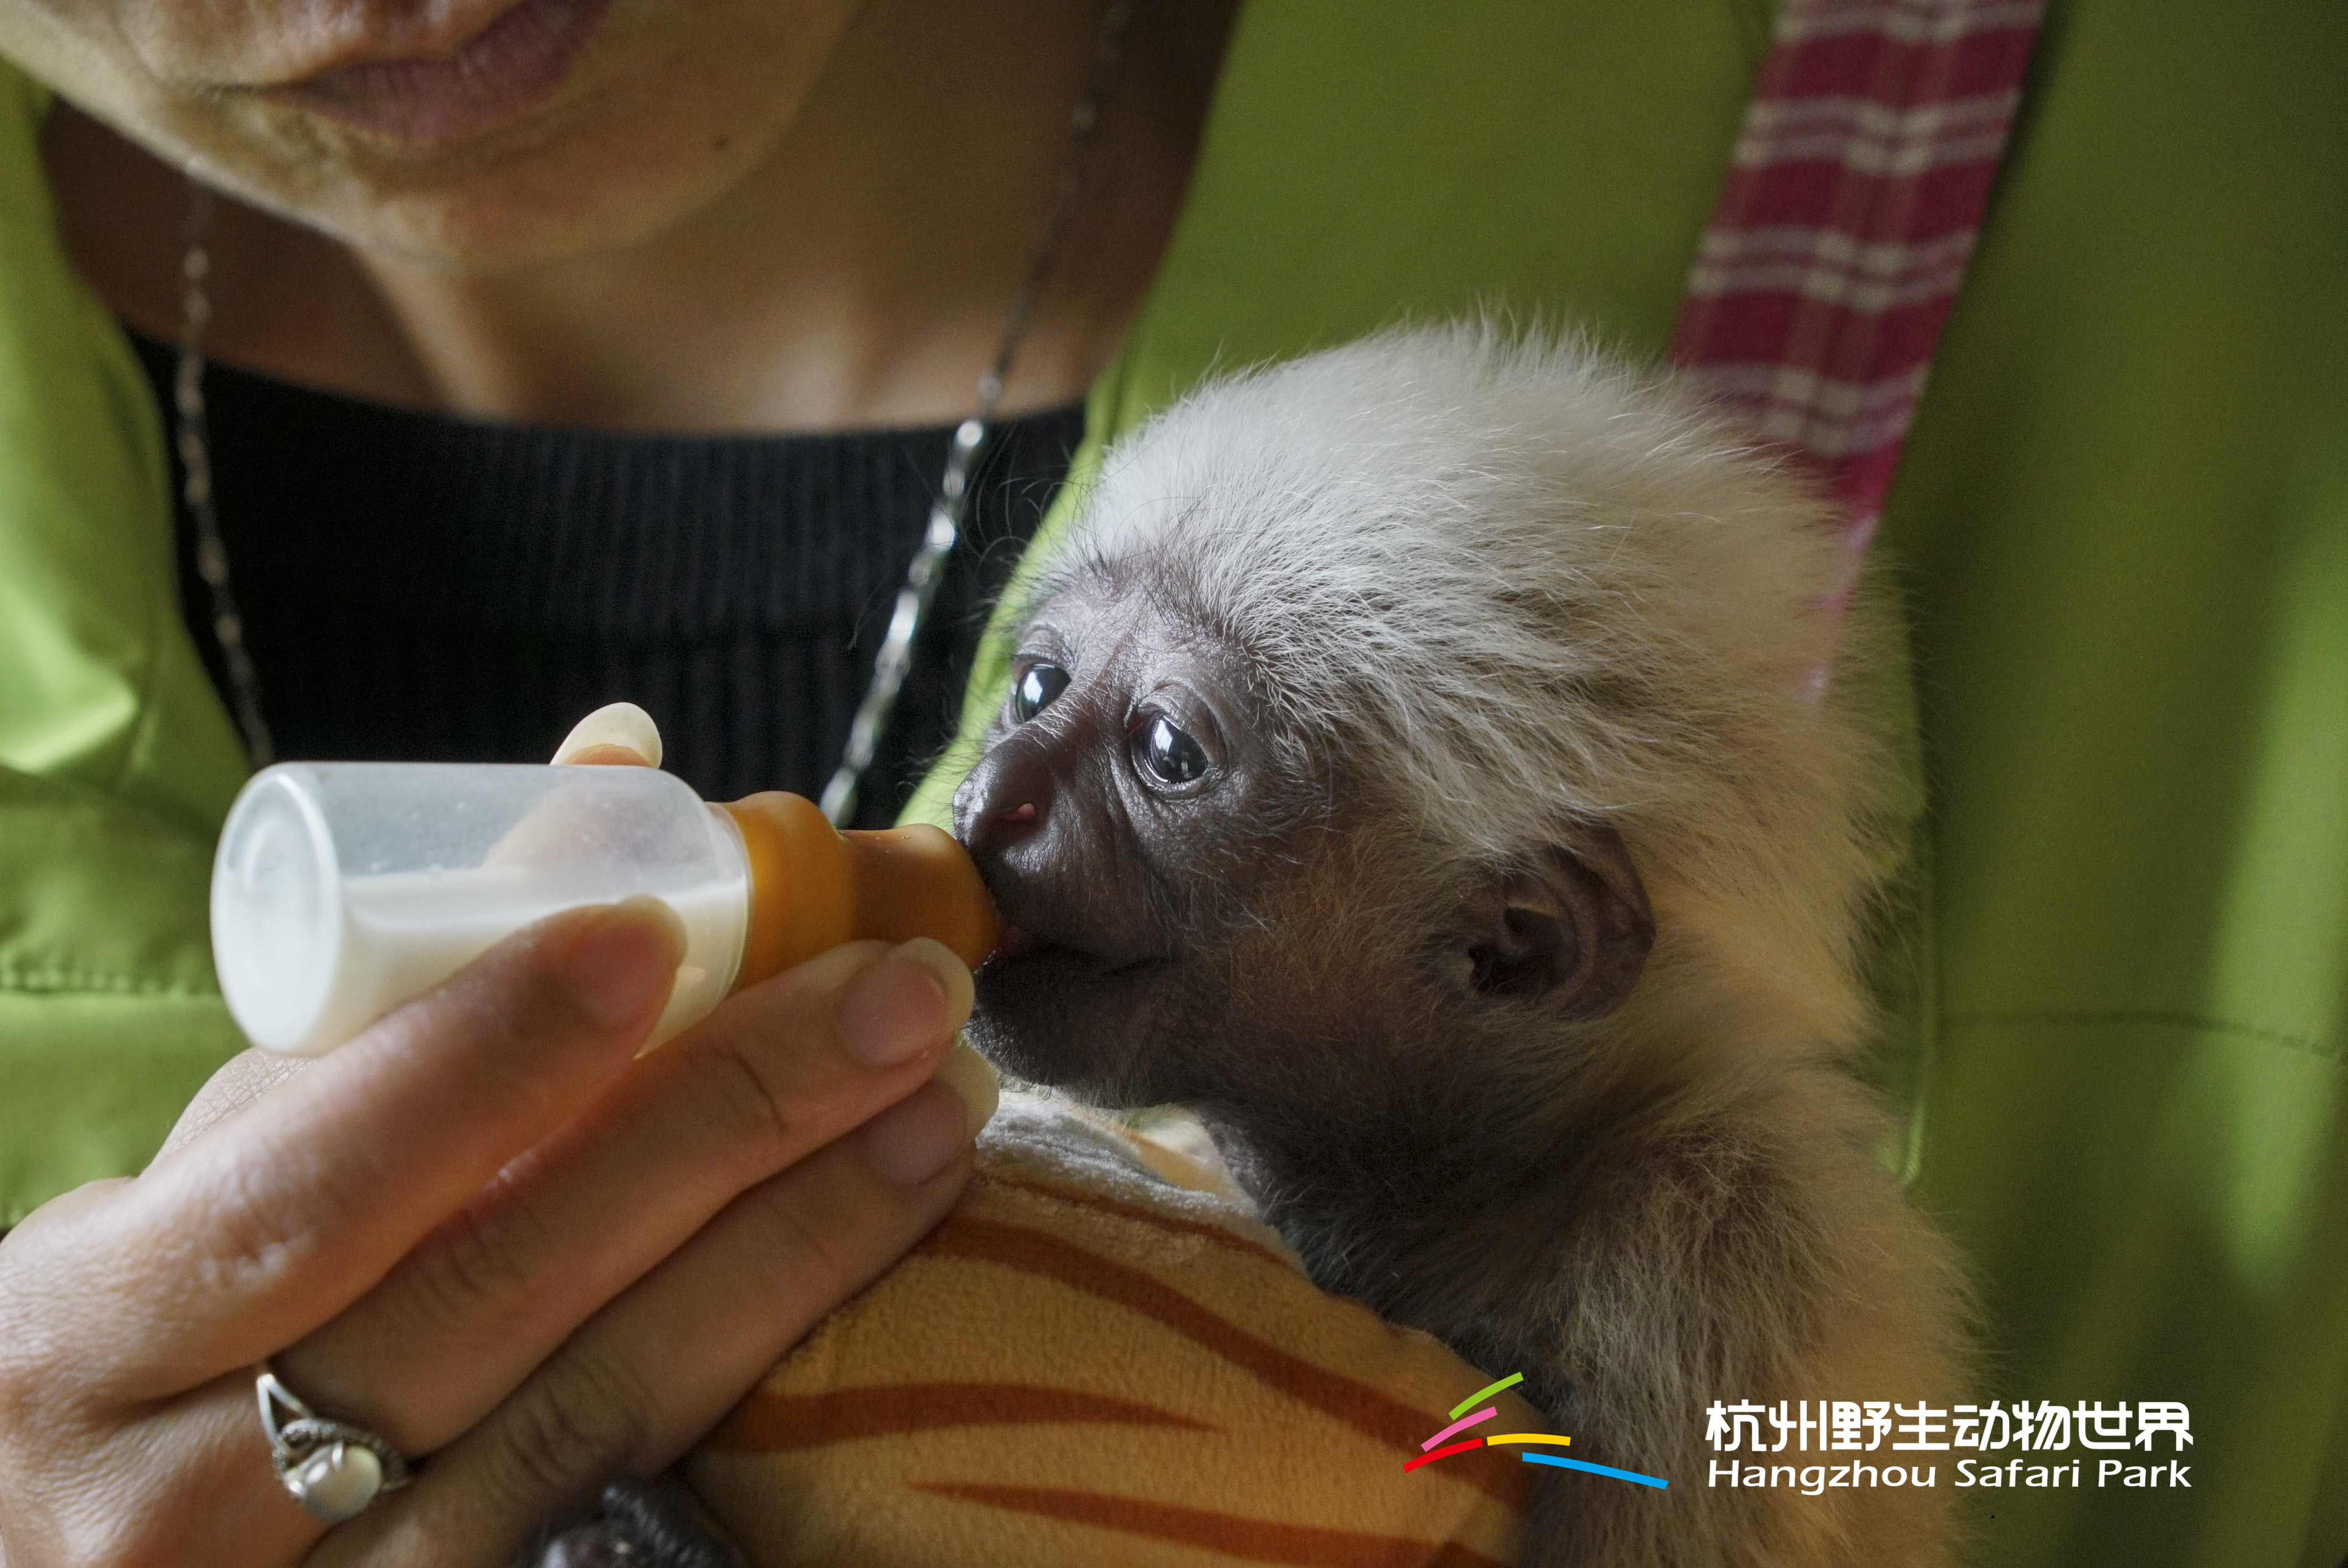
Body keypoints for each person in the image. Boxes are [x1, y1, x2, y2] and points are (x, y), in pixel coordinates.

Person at [0, 2, 2340, 1566]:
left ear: (1512, 937)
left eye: (1172, 752)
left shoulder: (1704, 1292)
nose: (1002, 827)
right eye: (1033, 688)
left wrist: (1396, 1463)